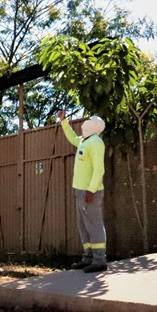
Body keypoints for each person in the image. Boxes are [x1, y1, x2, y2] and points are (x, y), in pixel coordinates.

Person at [58, 109, 108, 273]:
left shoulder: (95, 142)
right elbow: (72, 137)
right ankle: (88, 258)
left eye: (89, 119)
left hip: (89, 192)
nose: (85, 121)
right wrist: (64, 121)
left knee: (94, 225)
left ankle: (99, 260)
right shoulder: (84, 141)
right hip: (80, 192)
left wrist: (91, 190)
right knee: (83, 226)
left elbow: (99, 170)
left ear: (94, 126)